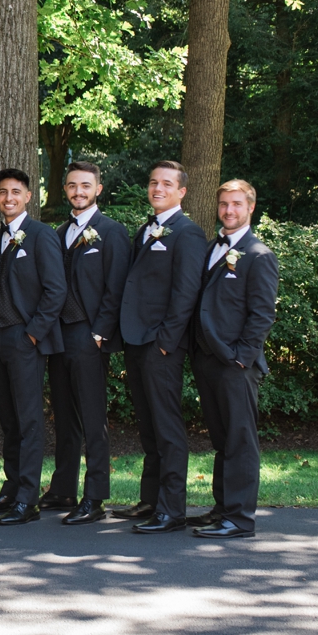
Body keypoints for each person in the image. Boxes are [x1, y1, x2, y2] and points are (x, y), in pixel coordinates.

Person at [117, 160, 207, 534]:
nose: (158, 188)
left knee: (168, 429)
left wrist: (167, 343)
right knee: (148, 426)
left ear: (181, 192)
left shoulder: (187, 233)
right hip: (137, 340)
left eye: (167, 184)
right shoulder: (146, 230)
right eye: (153, 182)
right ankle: (151, 500)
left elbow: (186, 293)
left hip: (161, 345)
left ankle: (173, 510)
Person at [188, 179, 278, 539]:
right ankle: (222, 508)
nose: (228, 210)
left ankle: (240, 519)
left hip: (236, 365)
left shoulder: (259, 254)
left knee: (240, 441)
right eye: (224, 204)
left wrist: (242, 357)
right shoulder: (213, 247)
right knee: (222, 440)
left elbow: (262, 314)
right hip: (208, 360)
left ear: (250, 208)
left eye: (236, 204)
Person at [45, 162, 130, 525]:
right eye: (71, 185)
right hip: (58, 335)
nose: (78, 191)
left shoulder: (112, 232)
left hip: (89, 335)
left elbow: (116, 287)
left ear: (98, 188)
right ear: (64, 189)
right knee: (63, 417)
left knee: (93, 419)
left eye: (85, 185)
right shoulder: (58, 232)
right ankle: (63, 487)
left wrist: (100, 333)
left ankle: (95, 497)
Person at [0, 168, 66, 525]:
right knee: (9, 419)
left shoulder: (41, 235)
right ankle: (12, 486)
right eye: (2, 192)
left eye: (16, 191)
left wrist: (33, 334)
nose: (9, 198)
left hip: (25, 338)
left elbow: (56, 289)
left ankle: (27, 500)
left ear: (29, 196)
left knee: (29, 420)